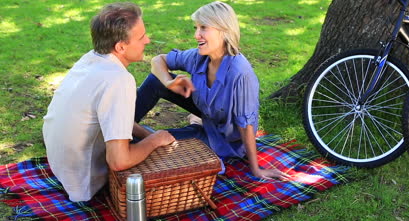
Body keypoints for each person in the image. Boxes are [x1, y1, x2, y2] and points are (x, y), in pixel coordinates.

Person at [133, 1, 286, 180]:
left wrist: (257, 169)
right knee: (156, 80)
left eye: (204, 27)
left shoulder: (240, 73)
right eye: (196, 27)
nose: (197, 34)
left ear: (224, 30)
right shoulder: (200, 57)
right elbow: (157, 61)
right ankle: (123, 126)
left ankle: (135, 132)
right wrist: (168, 82)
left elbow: (247, 126)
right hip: (208, 113)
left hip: (221, 140)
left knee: (146, 144)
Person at [42, 3, 175, 202]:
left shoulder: (90, 59)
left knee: (149, 134)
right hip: (83, 182)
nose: (147, 40)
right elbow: (119, 162)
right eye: (141, 37)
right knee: (170, 143)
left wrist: (148, 134)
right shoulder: (119, 79)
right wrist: (156, 140)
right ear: (120, 47)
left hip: (62, 166)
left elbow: (107, 117)